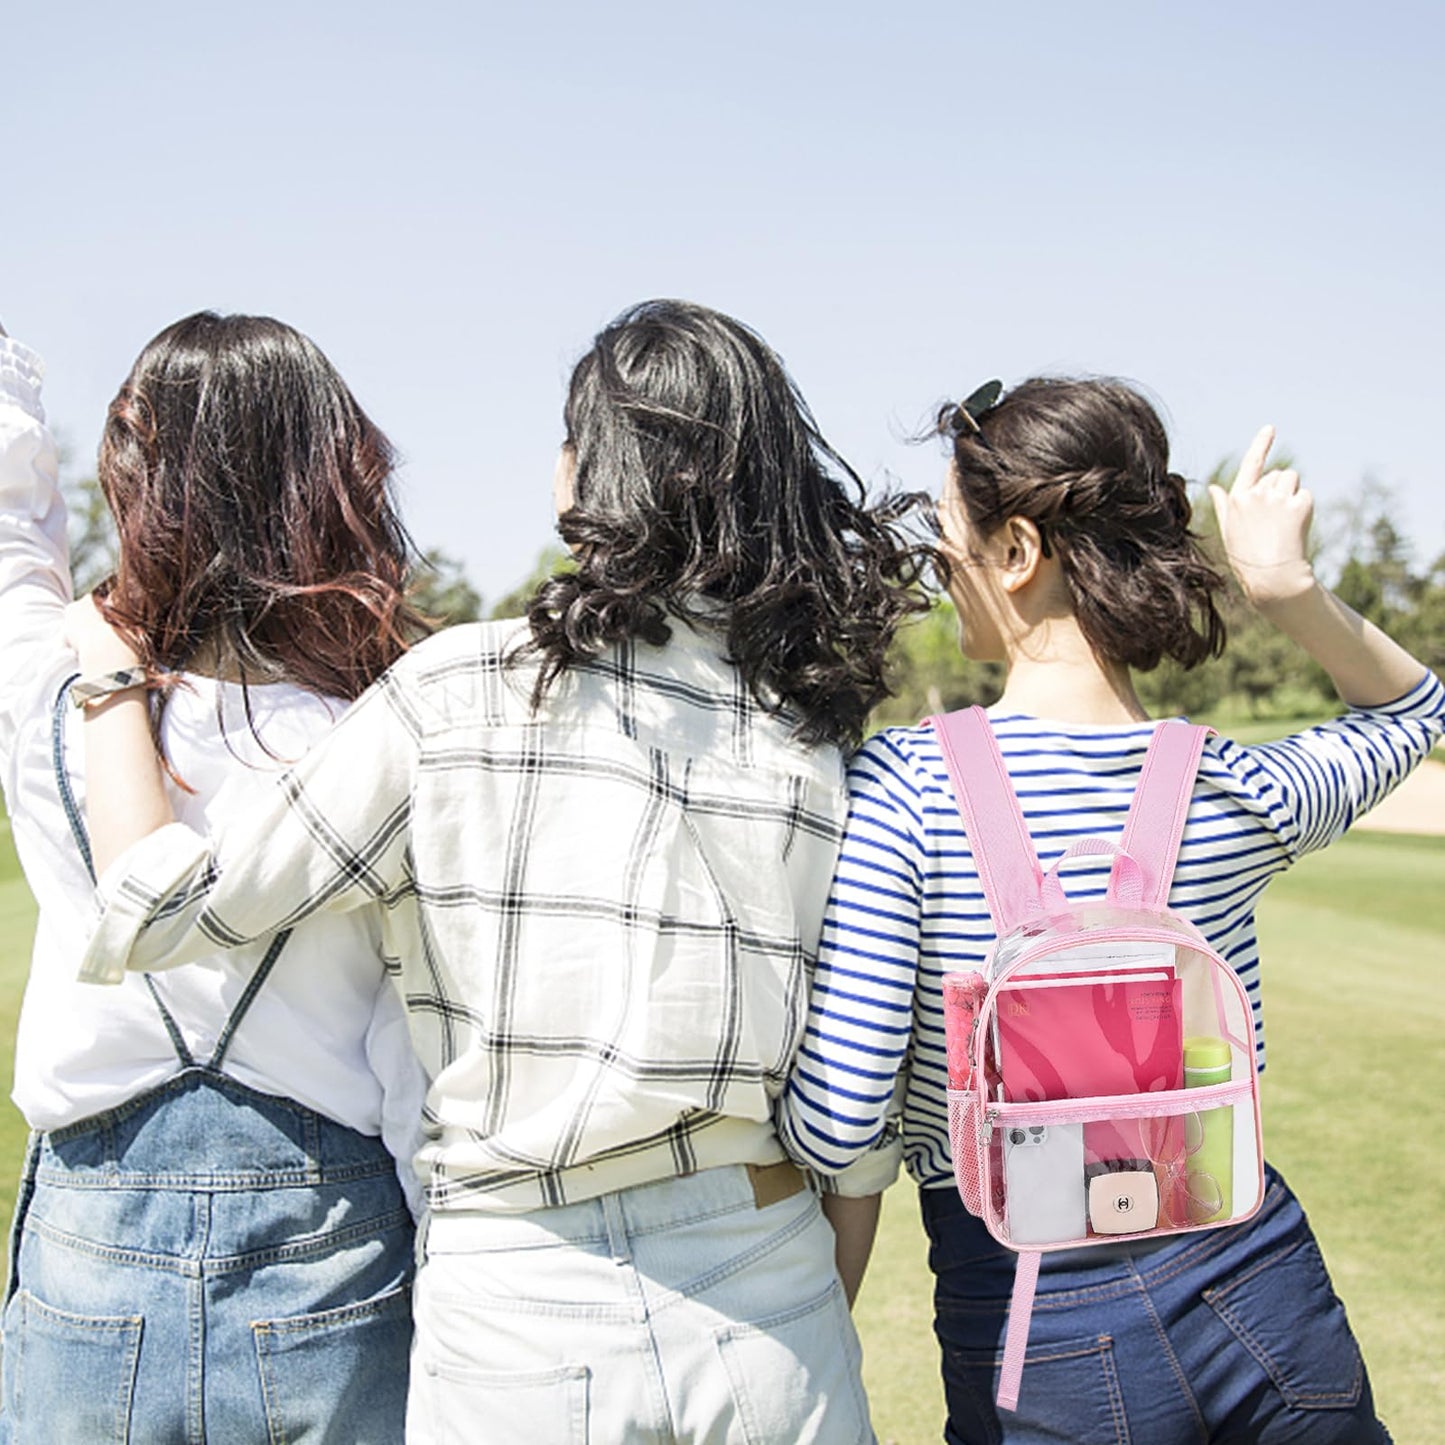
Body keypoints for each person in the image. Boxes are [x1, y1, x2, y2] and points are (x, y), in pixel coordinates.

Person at [66, 299, 931, 1444]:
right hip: (770, 1280)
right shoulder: (809, 740)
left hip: (523, 1296)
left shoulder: (458, 689)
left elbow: (166, 907)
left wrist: (109, 681)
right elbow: (853, 1109)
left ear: (585, 480)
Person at [776, 377, 1443, 1443]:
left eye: (950, 538)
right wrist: (1283, 588)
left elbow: (841, 1118)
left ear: (1016, 551)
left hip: (1035, 1323)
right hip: (1257, 1282)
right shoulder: (1233, 785)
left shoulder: (903, 788)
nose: (940, 569)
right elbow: (1411, 708)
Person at [0, 312, 429, 1444]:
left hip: (94, 1230)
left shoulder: (58, 692)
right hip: (331, 1228)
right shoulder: (377, 738)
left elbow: (6, 536)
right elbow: (410, 1057)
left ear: (140, 480)